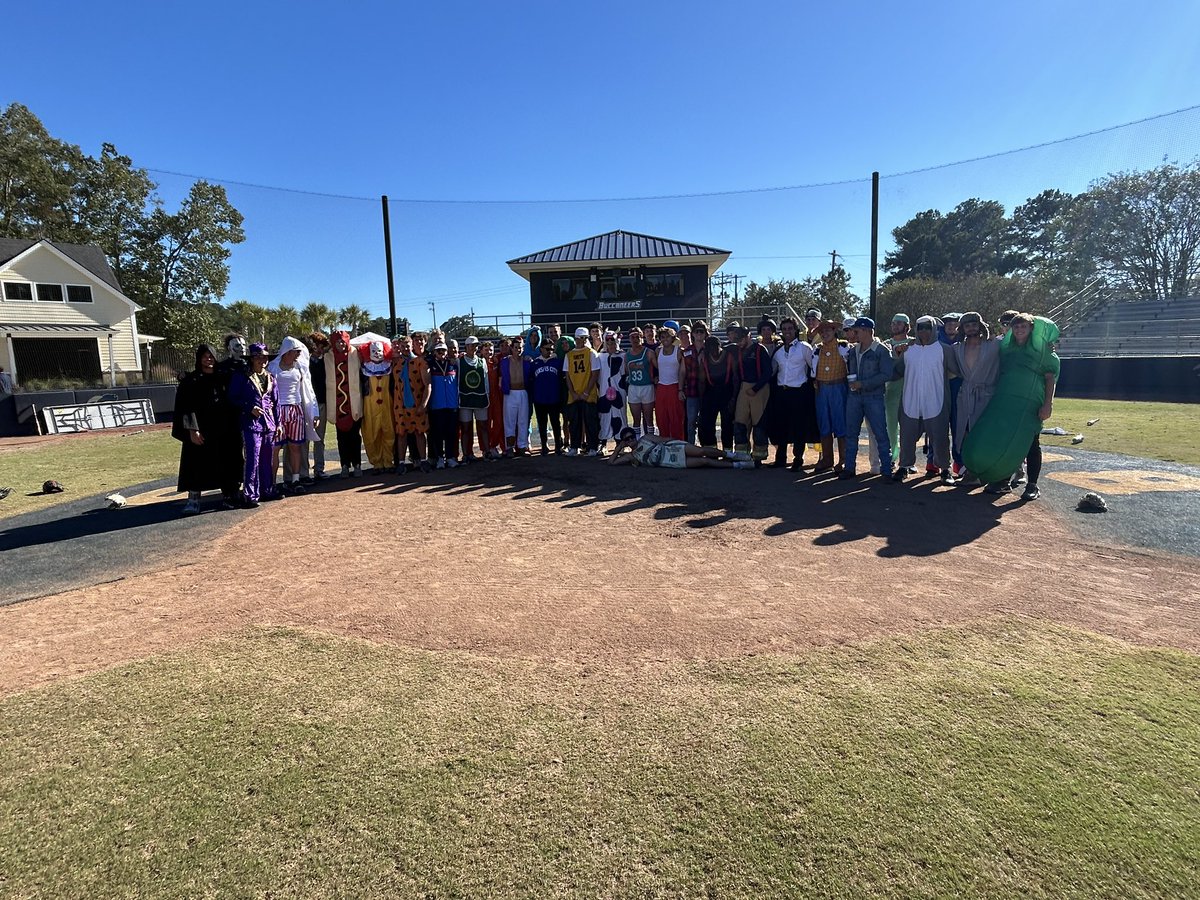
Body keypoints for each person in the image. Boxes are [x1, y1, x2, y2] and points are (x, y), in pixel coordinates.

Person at [172, 343, 243, 514]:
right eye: (204, 356)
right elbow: (186, 407)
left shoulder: (223, 377)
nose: (208, 359)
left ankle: (229, 496)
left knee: (228, 462)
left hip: (225, 431)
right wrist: (192, 429)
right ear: (199, 358)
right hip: (201, 431)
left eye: (211, 356)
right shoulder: (191, 381)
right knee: (196, 463)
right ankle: (194, 499)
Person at [892, 316, 956, 484]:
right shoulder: (908, 350)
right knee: (907, 436)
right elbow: (896, 370)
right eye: (920, 328)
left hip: (936, 399)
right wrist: (896, 353)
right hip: (910, 399)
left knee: (940, 436)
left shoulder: (944, 349)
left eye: (928, 327)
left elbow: (956, 371)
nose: (924, 331)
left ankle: (945, 469)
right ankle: (904, 466)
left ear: (934, 329)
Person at [949, 312, 1001, 485]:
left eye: (974, 324)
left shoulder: (994, 345)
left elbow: (1016, 343)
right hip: (965, 395)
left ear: (980, 326)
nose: (971, 328)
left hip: (986, 395)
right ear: (962, 329)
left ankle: (988, 472)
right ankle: (971, 471)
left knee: (985, 435)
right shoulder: (957, 348)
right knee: (964, 433)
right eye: (967, 325)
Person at [841, 317, 895, 479]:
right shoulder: (853, 350)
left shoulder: (881, 350)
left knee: (880, 434)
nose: (854, 333)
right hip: (855, 396)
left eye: (857, 330)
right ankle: (850, 468)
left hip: (873, 396)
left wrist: (862, 384)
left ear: (867, 331)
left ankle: (886, 469)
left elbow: (887, 374)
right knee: (852, 433)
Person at [229, 343, 281, 507]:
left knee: (267, 458)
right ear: (251, 359)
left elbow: (276, 402)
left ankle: (267, 490)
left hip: (269, 424)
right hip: (251, 424)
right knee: (252, 458)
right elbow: (232, 397)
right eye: (258, 357)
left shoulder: (271, 377)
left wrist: (279, 424)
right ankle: (250, 495)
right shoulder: (242, 377)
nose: (262, 360)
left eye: (265, 357)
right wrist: (249, 407)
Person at [271, 336, 321, 493]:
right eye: (296, 352)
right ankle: (271, 483)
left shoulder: (300, 367)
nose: (298, 355)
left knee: (295, 446)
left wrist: (314, 413)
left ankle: (295, 480)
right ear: (287, 351)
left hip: (296, 409)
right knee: (275, 448)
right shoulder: (272, 367)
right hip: (277, 411)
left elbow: (308, 390)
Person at [770, 317, 819, 470]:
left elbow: (814, 367)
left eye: (790, 328)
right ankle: (780, 458)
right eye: (784, 329)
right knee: (781, 425)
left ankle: (798, 458)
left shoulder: (804, 347)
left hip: (799, 392)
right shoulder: (778, 351)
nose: (787, 332)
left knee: (799, 426)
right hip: (781, 392)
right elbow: (773, 371)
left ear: (796, 330)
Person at [607, 426, 757, 469]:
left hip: (672, 448)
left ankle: (732, 455)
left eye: (632, 437)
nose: (631, 440)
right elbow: (611, 462)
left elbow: (664, 439)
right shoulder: (632, 456)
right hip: (669, 461)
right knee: (704, 461)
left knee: (701, 451)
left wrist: (678, 442)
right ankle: (738, 465)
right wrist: (619, 447)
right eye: (627, 440)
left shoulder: (646, 438)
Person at [811, 320, 850, 472]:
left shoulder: (844, 347)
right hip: (821, 389)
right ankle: (827, 459)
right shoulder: (816, 350)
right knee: (824, 423)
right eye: (822, 332)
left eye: (828, 330)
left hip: (838, 388)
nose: (825, 334)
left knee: (841, 423)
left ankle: (844, 460)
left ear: (834, 331)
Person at [323, 330, 363, 477]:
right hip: (337, 404)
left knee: (355, 436)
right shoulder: (327, 358)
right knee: (341, 438)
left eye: (342, 341)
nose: (340, 344)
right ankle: (344, 465)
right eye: (337, 341)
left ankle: (357, 464)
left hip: (354, 402)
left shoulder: (356, 354)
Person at [733, 325, 773, 462]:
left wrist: (756, 388)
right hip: (744, 387)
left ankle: (759, 456)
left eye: (740, 339)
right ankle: (742, 454)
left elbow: (768, 372)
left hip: (759, 388)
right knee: (740, 422)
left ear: (748, 336)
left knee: (759, 423)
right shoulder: (738, 351)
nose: (738, 342)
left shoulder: (760, 350)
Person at [392, 333, 431, 473]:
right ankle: (401, 463)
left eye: (407, 345)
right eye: (402, 346)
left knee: (419, 433)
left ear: (411, 345)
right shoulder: (397, 365)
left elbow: (428, 385)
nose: (405, 348)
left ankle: (423, 460)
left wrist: (423, 404)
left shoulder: (420, 362)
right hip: (400, 406)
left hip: (417, 404)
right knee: (401, 434)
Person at [356, 338, 395, 473]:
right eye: (374, 351)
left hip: (387, 404)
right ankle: (377, 463)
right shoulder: (364, 367)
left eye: (379, 350)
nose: (377, 353)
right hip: (370, 405)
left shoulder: (390, 365)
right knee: (371, 434)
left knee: (389, 432)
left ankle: (388, 461)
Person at [563, 326, 602, 456]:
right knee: (574, 422)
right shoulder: (569, 355)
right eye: (580, 338)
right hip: (574, 394)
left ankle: (593, 447)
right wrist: (573, 393)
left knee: (591, 422)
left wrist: (586, 392)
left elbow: (595, 373)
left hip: (588, 394)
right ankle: (574, 446)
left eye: (584, 338)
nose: (582, 340)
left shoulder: (591, 353)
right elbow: (567, 375)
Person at [698, 335, 737, 451]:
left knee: (728, 423)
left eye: (715, 347)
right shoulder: (704, 359)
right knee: (708, 423)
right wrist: (702, 400)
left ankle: (728, 450)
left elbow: (735, 378)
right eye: (710, 348)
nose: (713, 351)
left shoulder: (729, 357)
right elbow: (701, 381)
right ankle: (711, 451)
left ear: (720, 346)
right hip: (710, 393)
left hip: (727, 392)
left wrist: (734, 397)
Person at [457, 336, 491, 462]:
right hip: (465, 399)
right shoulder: (459, 361)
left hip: (480, 398)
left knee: (483, 426)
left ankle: (486, 451)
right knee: (465, 428)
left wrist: (487, 395)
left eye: (475, 345)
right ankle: (466, 454)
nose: (473, 348)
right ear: (466, 347)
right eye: (471, 345)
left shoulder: (482, 361)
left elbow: (486, 380)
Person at [883, 314, 911, 464]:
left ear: (906, 326)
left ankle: (907, 461)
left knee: (909, 428)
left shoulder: (914, 343)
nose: (895, 326)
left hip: (910, 390)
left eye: (899, 323)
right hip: (891, 391)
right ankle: (892, 458)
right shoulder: (885, 344)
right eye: (893, 323)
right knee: (891, 427)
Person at [427, 341, 459, 468]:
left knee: (451, 433)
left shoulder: (453, 364)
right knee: (438, 433)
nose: (441, 353)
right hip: (437, 405)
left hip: (452, 405)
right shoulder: (430, 364)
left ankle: (450, 457)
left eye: (443, 351)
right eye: (438, 351)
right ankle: (440, 457)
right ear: (434, 352)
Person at [530, 338, 564, 454]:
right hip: (540, 400)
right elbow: (531, 380)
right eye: (547, 349)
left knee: (556, 423)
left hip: (554, 399)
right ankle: (544, 445)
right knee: (542, 424)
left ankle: (558, 446)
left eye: (552, 349)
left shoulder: (557, 362)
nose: (550, 351)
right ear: (541, 349)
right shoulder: (535, 363)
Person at [501, 338, 532, 456]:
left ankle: (522, 446)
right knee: (509, 421)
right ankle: (509, 447)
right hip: (510, 393)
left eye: (520, 347)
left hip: (523, 392)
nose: (518, 350)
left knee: (523, 421)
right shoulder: (505, 361)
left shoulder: (526, 361)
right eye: (516, 347)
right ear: (511, 348)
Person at [654, 323, 685, 440]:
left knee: (676, 418)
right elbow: (656, 368)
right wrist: (655, 378)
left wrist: (680, 389)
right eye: (662, 337)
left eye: (667, 336)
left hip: (674, 387)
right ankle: (664, 444)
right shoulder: (658, 351)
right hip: (661, 388)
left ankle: (678, 445)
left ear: (672, 338)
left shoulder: (679, 351)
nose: (665, 339)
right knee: (661, 419)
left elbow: (682, 372)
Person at [597, 331, 627, 448]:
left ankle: (620, 443)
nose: (610, 343)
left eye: (612, 341)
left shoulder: (623, 356)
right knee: (604, 416)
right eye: (608, 341)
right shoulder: (600, 357)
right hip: (604, 391)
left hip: (620, 391)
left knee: (620, 415)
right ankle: (603, 443)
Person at [624, 328, 656, 438]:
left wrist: (655, 378)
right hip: (633, 387)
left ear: (641, 338)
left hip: (647, 387)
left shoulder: (649, 352)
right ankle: (637, 443)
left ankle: (651, 441)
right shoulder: (627, 355)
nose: (635, 339)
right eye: (632, 337)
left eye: (638, 337)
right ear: (629, 339)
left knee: (649, 418)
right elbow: (627, 372)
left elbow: (658, 368)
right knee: (636, 419)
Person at [307, 332, 330, 479]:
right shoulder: (303, 362)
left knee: (319, 438)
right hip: (307, 404)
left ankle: (319, 469)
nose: (321, 349)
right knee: (304, 439)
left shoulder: (325, 362)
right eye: (318, 346)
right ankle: (303, 472)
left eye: (322, 346)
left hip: (322, 402)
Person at [678, 325, 702, 444]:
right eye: (696, 332)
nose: (699, 334)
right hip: (691, 391)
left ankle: (707, 448)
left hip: (707, 392)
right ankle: (691, 447)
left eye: (701, 331)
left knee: (705, 421)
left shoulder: (710, 348)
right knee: (691, 422)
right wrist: (680, 389)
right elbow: (682, 372)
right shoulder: (686, 352)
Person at [483, 340, 505, 457]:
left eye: (491, 349)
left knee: (498, 422)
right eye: (486, 350)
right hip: (484, 397)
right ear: (481, 351)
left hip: (496, 396)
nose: (489, 352)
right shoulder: (479, 362)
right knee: (485, 424)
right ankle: (485, 448)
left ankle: (494, 446)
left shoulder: (496, 361)